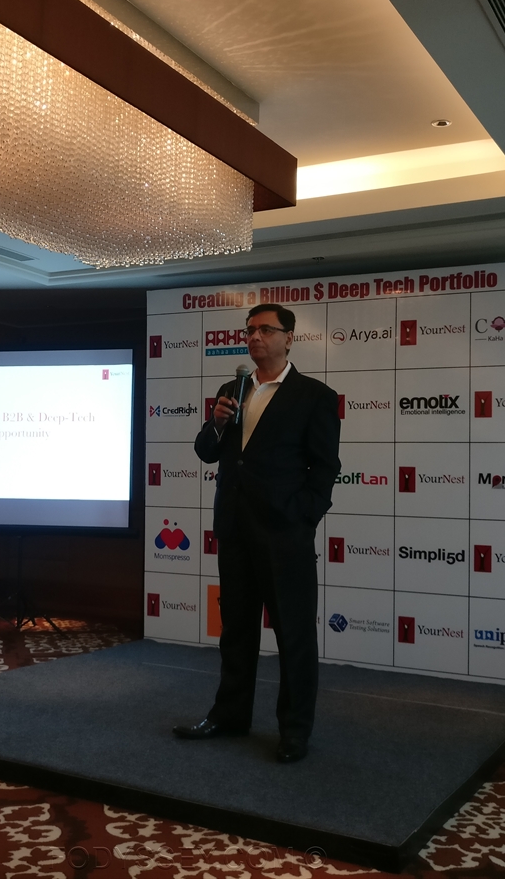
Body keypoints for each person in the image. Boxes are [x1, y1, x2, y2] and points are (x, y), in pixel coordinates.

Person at [173, 303, 341, 763]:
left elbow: (326, 467)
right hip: (235, 529)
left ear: (289, 338)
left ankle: (294, 730)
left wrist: (303, 516)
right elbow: (207, 451)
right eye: (249, 330)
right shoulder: (233, 389)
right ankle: (230, 715)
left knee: (294, 635)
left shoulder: (315, 395)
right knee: (237, 631)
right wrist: (216, 423)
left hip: (285, 533)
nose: (255, 337)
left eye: (266, 329)